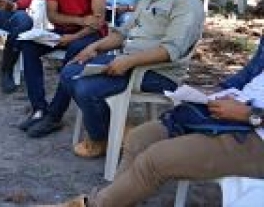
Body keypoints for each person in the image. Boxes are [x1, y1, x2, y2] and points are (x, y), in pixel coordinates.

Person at [41, 36, 264, 207]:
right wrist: (216, 92)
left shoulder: (185, 2)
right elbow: (249, 75)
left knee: (155, 161)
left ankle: (94, 204)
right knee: (139, 138)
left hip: (254, 134)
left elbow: (171, 48)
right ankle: (114, 201)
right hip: (230, 113)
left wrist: (248, 114)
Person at [61, 0, 204, 158]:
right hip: (128, 61)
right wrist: (95, 47)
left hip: (157, 72)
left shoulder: (187, 3)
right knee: (70, 72)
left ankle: (100, 139)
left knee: (85, 88)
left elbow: (170, 51)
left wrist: (128, 62)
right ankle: (116, 131)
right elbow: (123, 33)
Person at [20, 0, 108, 138]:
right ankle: (39, 107)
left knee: (75, 52)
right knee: (28, 46)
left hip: (90, 35)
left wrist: (75, 35)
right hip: (63, 30)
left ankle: (54, 115)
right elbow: (52, 14)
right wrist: (79, 21)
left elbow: (97, 22)